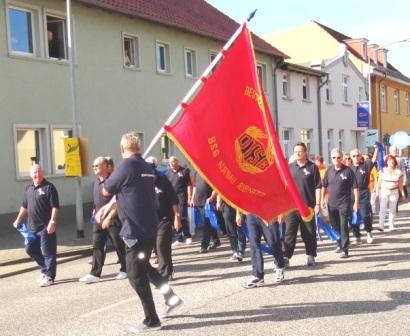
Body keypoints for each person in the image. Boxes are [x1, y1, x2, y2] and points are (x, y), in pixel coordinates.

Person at [102, 132, 182, 333]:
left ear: (122, 149)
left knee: (135, 275)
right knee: (145, 267)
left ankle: (151, 319)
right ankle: (170, 297)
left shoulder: (126, 166)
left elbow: (106, 189)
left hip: (135, 231)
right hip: (149, 227)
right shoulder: (147, 166)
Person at [79, 157, 127, 284]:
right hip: (99, 220)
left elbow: (118, 201)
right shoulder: (96, 182)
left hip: (113, 219)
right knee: (97, 246)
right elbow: (97, 200)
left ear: (106, 166)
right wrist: (94, 211)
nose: (94, 167)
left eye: (97, 165)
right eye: (93, 166)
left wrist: (111, 216)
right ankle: (95, 273)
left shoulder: (113, 181)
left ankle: (125, 269)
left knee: (118, 245)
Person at [12, 164, 59, 287]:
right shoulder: (28, 188)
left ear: (42, 173)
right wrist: (18, 219)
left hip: (45, 227)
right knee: (30, 249)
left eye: (39, 172)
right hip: (31, 228)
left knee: (48, 252)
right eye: (34, 173)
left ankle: (50, 277)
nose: (37, 175)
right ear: (30, 175)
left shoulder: (49, 187)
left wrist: (52, 221)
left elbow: (55, 206)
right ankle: (44, 269)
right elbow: (24, 206)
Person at [284, 142, 321, 267]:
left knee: (309, 232)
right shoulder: (290, 167)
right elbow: (285, 187)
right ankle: (286, 257)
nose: (298, 154)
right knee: (290, 233)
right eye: (295, 152)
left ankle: (311, 256)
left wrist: (318, 204)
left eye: (300, 151)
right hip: (292, 207)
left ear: (305, 152)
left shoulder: (312, 167)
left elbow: (318, 187)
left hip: (307, 206)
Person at [146, 156, 181, 281]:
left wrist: (177, 218)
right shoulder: (142, 182)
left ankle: (164, 274)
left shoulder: (164, 180)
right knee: (158, 248)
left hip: (164, 219)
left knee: (161, 246)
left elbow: (173, 201)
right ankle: (169, 270)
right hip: (149, 220)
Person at [321, 148, 359, 258]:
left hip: (344, 203)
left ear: (342, 158)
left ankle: (345, 248)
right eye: (334, 158)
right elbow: (324, 186)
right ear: (331, 159)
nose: (336, 160)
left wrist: (356, 202)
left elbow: (355, 188)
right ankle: (339, 244)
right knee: (335, 226)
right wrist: (322, 200)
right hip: (331, 203)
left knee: (343, 226)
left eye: (338, 157)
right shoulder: (329, 170)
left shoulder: (348, 171)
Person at [240, 214, 285, 288]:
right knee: (254, 244)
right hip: (251, 213)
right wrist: (239, 213)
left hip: (268, 212)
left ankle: (280, 266)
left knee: (273, 242)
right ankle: (257, 276)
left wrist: (282, 212)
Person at [350, 147, 378, 244]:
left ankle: (369, 231)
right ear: (351, 157)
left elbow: (374, 159)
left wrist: (377, 150)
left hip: (364, 194)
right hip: (352, 195)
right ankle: (357, 236)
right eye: (354, 156)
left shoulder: (366, 165)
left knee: (365, 215)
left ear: (361, 156)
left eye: (358, 155)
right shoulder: (348, 169)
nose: (356, 157)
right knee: (353, 217)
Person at [376, 154, 408, 231]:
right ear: (387, 162)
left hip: (394, 192)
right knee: (382, 208)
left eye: (393, 161)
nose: (392, 162)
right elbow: (378, 183)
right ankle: (381, 225)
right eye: (390, 161)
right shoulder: (382, 170)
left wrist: (404, 196)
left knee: (392, 209)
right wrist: (377, 193)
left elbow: (400, 185)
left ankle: (391, 225)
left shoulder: (398, 172)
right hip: (384, 191)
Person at [190, 172, 220, 253]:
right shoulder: (196, 173)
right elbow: (195, 187)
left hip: (207, 202)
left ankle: (204, 245)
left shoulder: (209, 172)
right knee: (208, 222)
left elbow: (216, 187)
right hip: (198, 201)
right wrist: (192, 198)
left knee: (207, 224)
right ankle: (216, 240)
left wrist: (212, 197)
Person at [167, 156, 193, 245]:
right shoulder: (168, 173)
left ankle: (187, 236)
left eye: (173, 162)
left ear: (177, 162)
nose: (171, 164)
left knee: (182, 216)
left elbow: (189, 185)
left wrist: (189, 197)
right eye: (170, 163)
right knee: (174, 216)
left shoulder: (184, 171)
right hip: (172, 198)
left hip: (182, 196)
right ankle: (179, 237)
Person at [217, 196, 245, 261]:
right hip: (226, 206)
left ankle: (240, 251)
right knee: (230, 230)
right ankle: (235, 251)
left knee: (239, 228)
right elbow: (218, 190)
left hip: (239, 204)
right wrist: (218, 202)